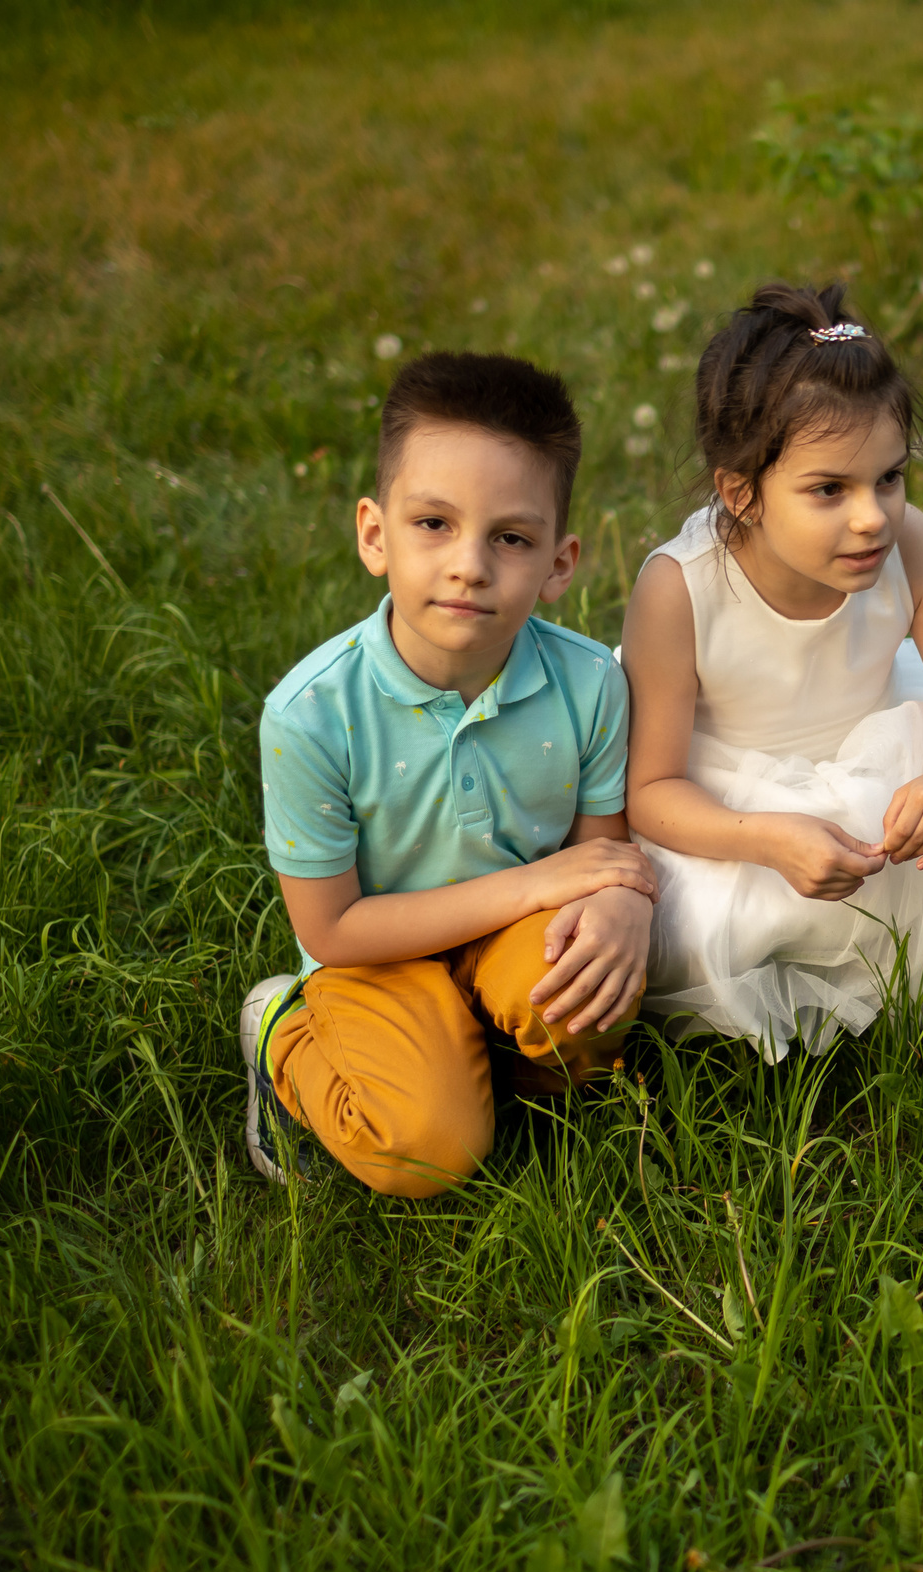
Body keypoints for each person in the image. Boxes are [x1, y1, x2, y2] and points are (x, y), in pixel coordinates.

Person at [238, 352, 656, 1197]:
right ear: (374, 533)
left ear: (560, 563)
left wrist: (619, 905)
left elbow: (601, 856)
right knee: (427, 1148)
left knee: (587, 994)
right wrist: (536, 886)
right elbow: (335, 929)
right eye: (434, 523)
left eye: (510, 537)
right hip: (374, 956)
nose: (470, 564)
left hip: (510, 937)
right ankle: (281, 1031)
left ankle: (501, 1058)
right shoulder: (312, 713)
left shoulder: (590, 683)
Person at [619, 284, 923, 1056]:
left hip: (869, 750)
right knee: (698, 924)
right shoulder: (679, 588)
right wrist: (767, 838)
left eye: (889, 479)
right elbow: (652, 792)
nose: (872, 516)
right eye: (829, 489)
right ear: (742, 492)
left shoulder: (911, 543)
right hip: (733, 801)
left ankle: (882, 942)